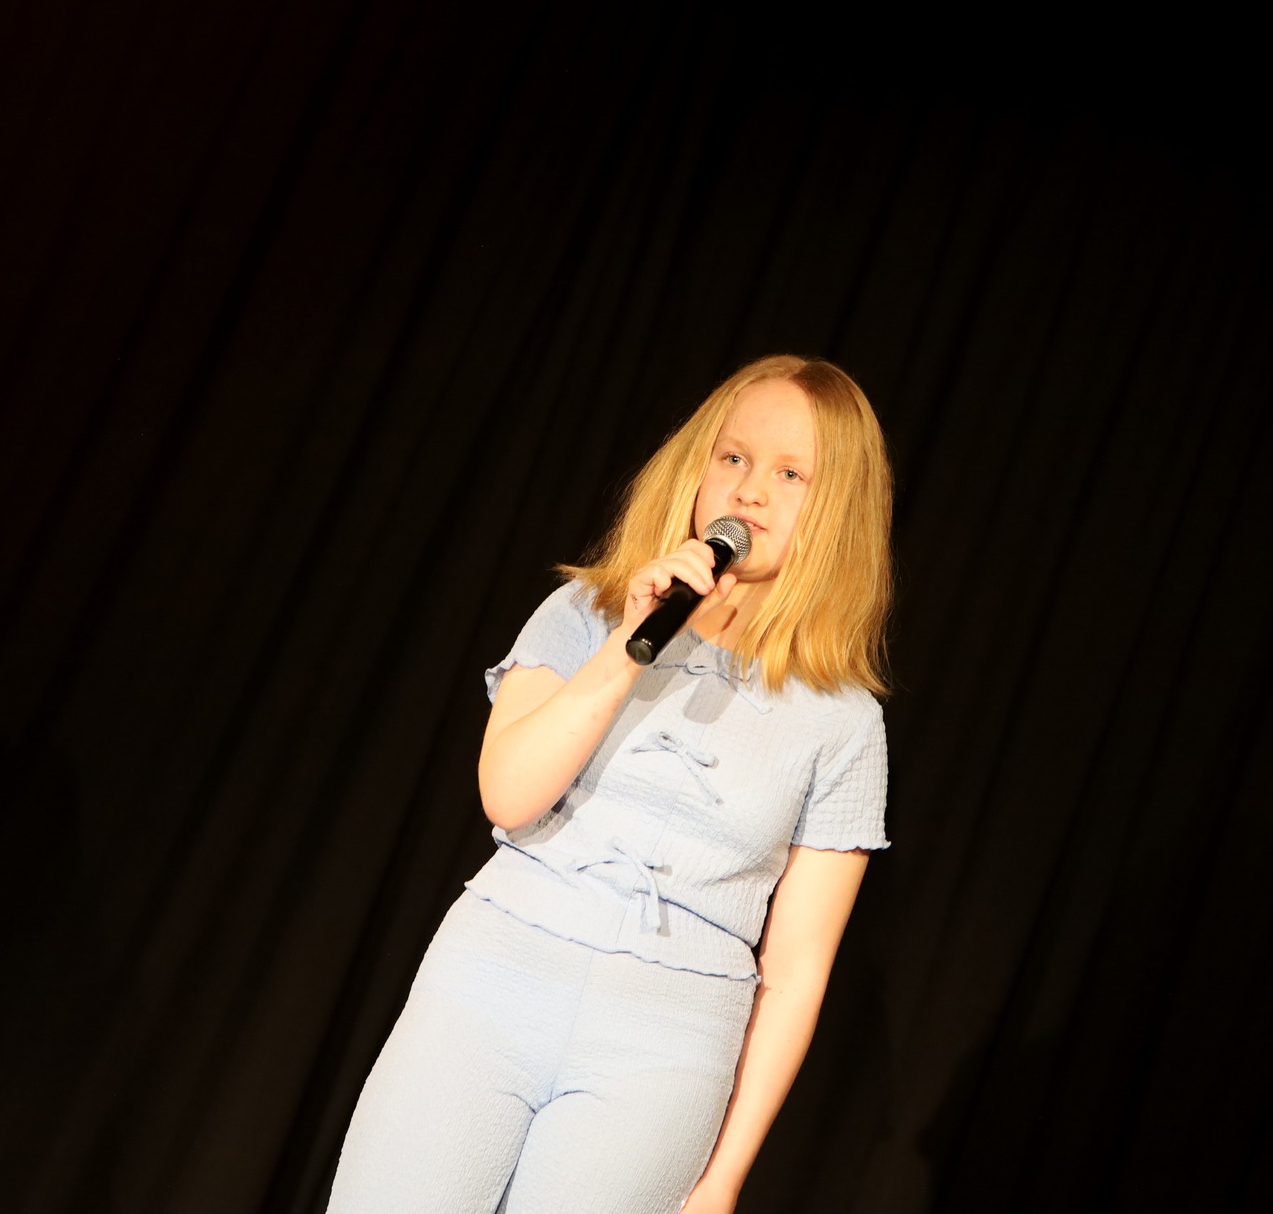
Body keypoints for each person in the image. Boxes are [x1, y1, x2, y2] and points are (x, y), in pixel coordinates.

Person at [326, 355, 893, 1214]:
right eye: (734, 458)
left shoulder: (843, 720)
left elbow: (796, 970)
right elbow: (507, 794)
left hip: (665, 1050)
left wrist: (724, 1177)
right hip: (489, 983)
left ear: (839, 507)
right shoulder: (585, 612)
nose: (750, 491)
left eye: (790, 474)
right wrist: (629, 645)